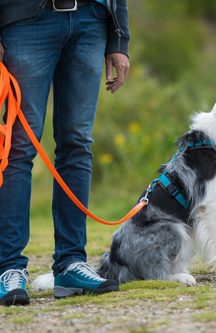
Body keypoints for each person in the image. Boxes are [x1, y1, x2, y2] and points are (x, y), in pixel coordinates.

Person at [0, 0, 130, 306]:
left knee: (77, 144)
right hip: (25, 23)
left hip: (91, 20)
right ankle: (9, 268)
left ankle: (71, 263)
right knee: (17, 146)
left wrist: (119, 37)